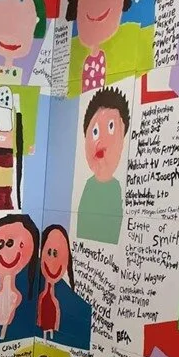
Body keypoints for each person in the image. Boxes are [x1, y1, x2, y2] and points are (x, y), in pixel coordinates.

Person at [76, 87, 129, 245]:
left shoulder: (116, 190)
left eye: (111, 127)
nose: (100, 141)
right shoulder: (88, 186)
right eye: (95, 132)